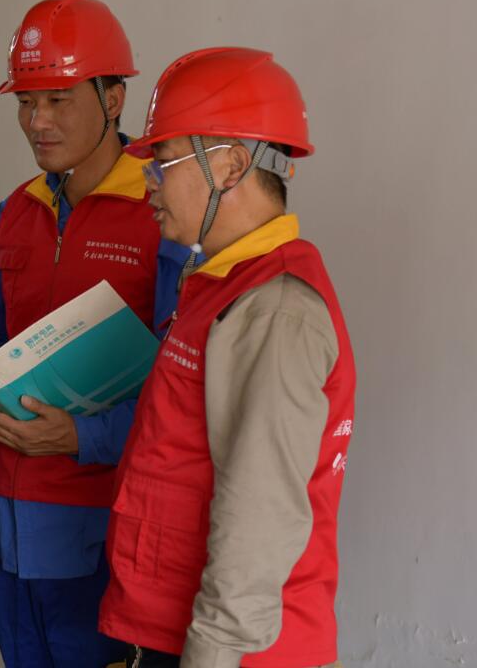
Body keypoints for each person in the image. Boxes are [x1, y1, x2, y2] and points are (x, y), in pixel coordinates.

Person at [0, 0, 190, 667]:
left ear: (113, 98)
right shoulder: (17, 212)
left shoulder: (163, 212)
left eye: (57, 100)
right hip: (14, 516)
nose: (37, 121)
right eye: (26, 102)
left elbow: (186, 388)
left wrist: (81, 436)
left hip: (110, 520)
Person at [97, 47, 356, 668]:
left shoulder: (276, 309)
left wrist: (212, 655)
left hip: (236, 653)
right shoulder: (220, 286)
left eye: (163, 162)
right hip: (172, 630)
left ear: (231, 166)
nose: (149, 184)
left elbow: (260, 513)